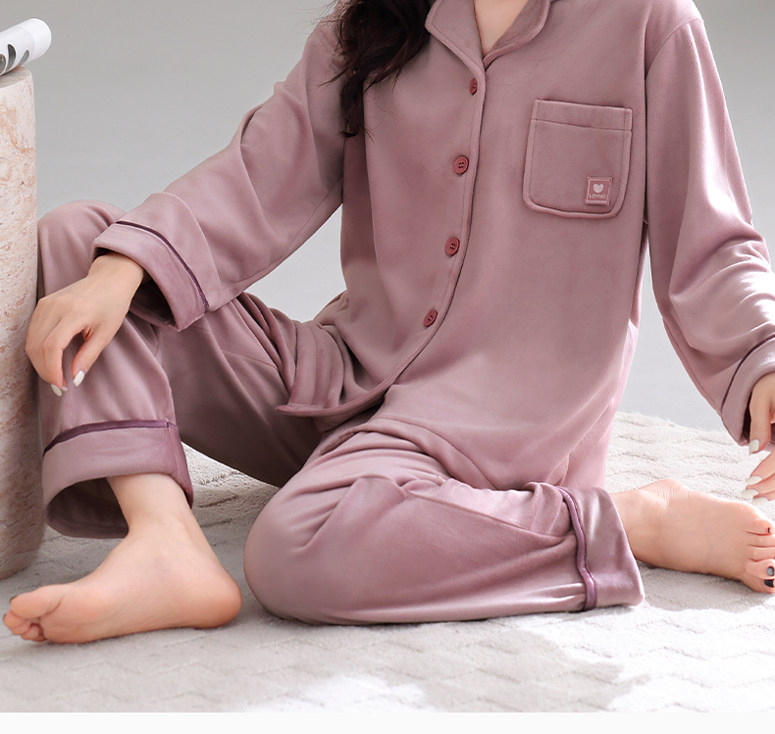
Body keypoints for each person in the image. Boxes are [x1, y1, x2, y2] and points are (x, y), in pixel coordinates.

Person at [5, 0, 775, 645]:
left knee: (299, 548)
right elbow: (258, 175)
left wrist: (763, 358)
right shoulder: (375, 18)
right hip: (346, 372)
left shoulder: (646, 22)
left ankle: (628, 521)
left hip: (495, 429)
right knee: (86, 246)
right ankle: (164, 540)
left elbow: (710, 245)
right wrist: (122, 271)